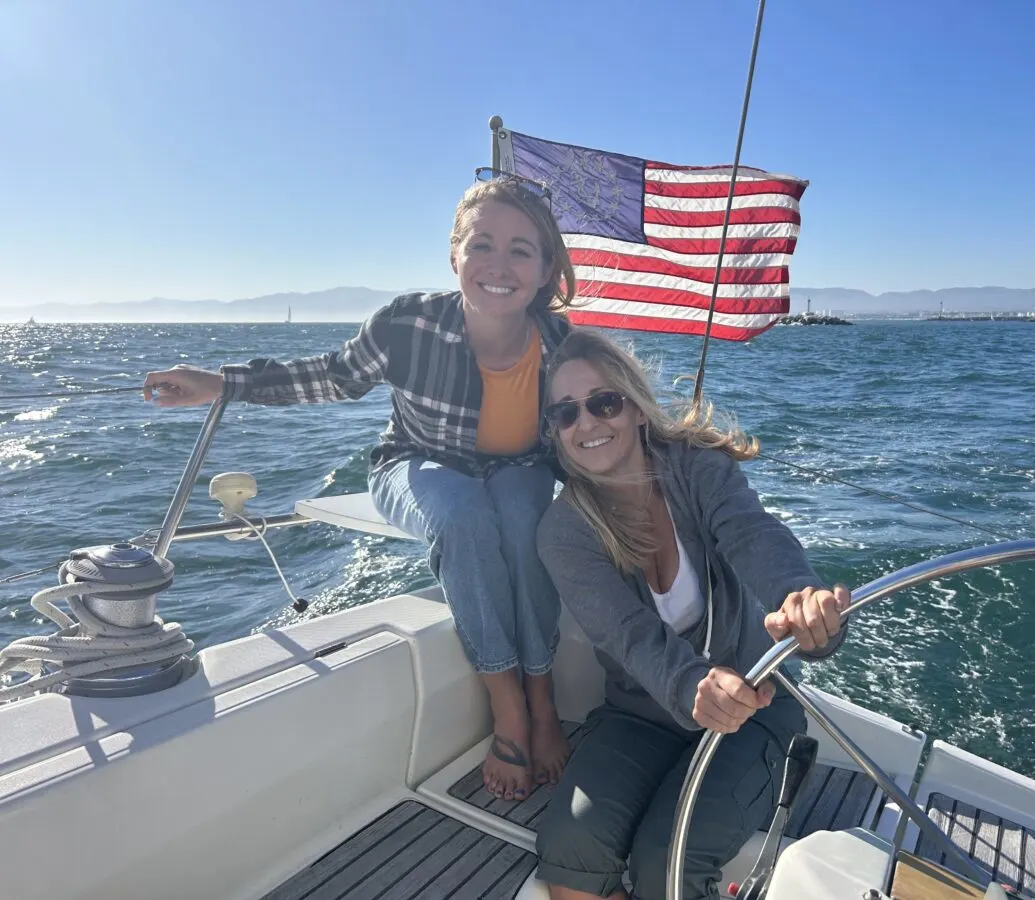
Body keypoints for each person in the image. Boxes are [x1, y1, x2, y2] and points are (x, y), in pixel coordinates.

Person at [142, 170, 577, 801]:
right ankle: (508, 704)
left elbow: (598, 427)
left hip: (516, 472)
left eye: (520, 249)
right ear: (453, 255)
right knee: (460, 511)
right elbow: (333, 376)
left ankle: (544, 693)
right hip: (415, 463)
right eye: (481, 244)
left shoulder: (562, 344)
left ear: (543, 271)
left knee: (522, 509)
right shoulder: (409, 324)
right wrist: (221, 383)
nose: (498, 264)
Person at [533, 330, 851, 900]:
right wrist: (692, 685)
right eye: (565, 412)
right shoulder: (564, 531)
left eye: (603, 402)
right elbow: (629, 637)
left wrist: (798, 600)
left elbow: (754, 534)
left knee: (666, 863)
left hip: (756, 709)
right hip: (640, 716)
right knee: (568, 848)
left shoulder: (696, 468)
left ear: (632, 406)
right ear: (554, 430)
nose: (587, 422)